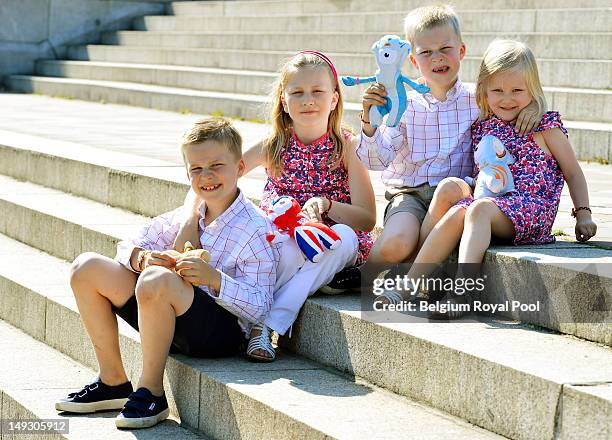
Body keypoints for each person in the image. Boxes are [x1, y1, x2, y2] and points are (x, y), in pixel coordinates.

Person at [55, 117, 279, 428]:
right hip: (170, 316)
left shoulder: (255, 229)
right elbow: (127, 246)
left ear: (240, 168)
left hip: (221, 333)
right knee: (86, 267)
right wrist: (143, 257)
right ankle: (113, 381)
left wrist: (215, 280)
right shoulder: (186, 215)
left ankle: (152, 392)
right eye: (197, 169)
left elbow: (262, 306)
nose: (207, 176)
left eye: (217, 165)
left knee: (156, 280)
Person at [175, 51, 376, 362]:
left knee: (340, 240)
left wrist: (326, 204)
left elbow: (366, 219)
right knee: (281, 247)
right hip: (282, 239)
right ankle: (285, 299)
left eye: (317, 91)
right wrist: (190, 220)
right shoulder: (275, 144)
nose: (308, 100)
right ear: (284, 101)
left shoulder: (347, 146)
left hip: (332, 236)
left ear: (335, 99)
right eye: (297, 92)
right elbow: (213, 175)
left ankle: (266, 324)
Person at [380, 39, 597, 317]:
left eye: (518, 90)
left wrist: (584, 214)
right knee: (460, 210)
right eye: (498, 90)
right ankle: (410, 284)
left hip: (531, 210)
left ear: (533, 88)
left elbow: (573, 172)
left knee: (478, 208)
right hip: (493, 204)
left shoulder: (545, 125)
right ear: (484, 89)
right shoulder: (484, 124)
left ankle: (463, 293)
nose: (507, 99)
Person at [358, 5, 540, 267]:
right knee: (397, 242)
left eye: (445, 49)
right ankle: (363, 275)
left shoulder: (478, 99)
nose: (437, 58)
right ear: (412, 60)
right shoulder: (403, 105)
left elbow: (512, 99)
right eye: (426, 52)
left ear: (461, 51)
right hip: (409, 194)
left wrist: (533, 106)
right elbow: (377, 161)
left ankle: (412, 274)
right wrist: (369, 122)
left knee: (448, 198)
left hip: (457, 194)